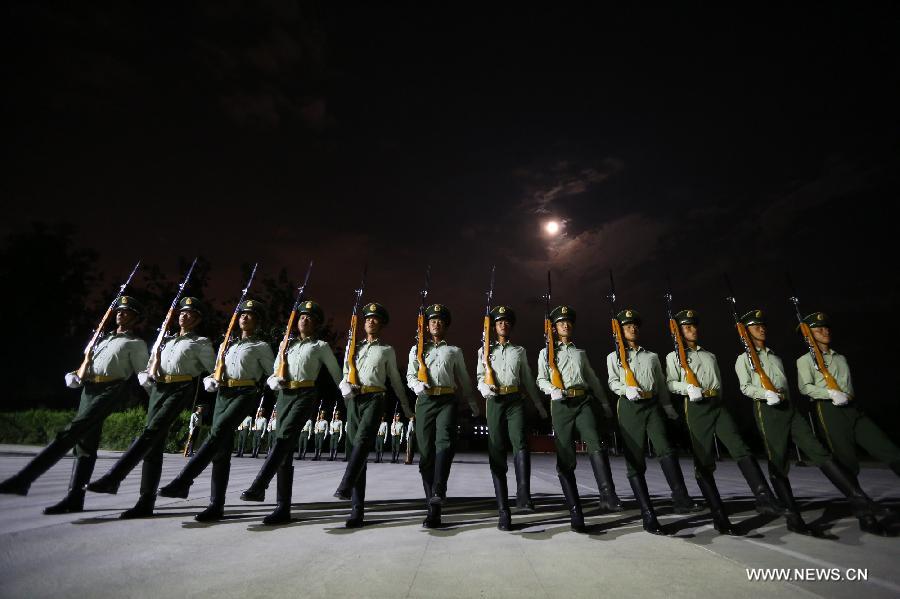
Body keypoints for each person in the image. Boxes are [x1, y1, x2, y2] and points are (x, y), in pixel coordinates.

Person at [735, 309, 889, 535]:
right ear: (745, 333)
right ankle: (794, 518)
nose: (761, 328)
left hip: (789, 408)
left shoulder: (775, 356)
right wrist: (764, 393)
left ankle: (858, 499)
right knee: (778, 462)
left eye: (763, 325)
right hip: (767, 410)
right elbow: (745, 387)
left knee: (819, 451)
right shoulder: (743, 359)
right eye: (755, 326)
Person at [0, 296, 149, 515]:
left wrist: (155, 401)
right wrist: (76, 375)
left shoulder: (136, 344)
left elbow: (143, 375)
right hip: (89, 391)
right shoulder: (102, 339)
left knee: (72, 432)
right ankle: (74, 498)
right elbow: (86, 367)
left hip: (110, 391)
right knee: (85, 448)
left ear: (136, 318)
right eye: (119, 310)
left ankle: (24, 478)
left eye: (127, 312)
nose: (121, 313)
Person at [86, 296, 215, 520]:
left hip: (180, 388)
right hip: (159, 389)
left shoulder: (201, 343)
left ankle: (114, 477)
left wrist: (212, 379)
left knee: (151, 432)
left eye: (189, 313)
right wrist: (146, 375)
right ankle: (145, 502)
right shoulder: (166, 340)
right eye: (181, 313)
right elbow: (150, 365)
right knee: (153, 446)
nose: (183, 316)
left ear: (197, 319)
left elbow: (214, 368)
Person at [664, 308, 782, 535]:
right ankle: (719, 516)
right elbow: (670, 383)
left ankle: (764, 497)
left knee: (740, 448)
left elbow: (719, 383)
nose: (692, 330)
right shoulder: (673, 357)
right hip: (696, 408)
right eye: (687, 327)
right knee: (704, 460)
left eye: (694, 326)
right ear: (678, 332)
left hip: (716, 405)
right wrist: (686, 388)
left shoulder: (710, 356)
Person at [157, 299, 274, 522]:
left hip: (245, 393)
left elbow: (272, 374)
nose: (244, 317)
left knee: (217, 432)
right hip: (223, 394)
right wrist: (211, 379)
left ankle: (184, 481)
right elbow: (216, 369)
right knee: (221, 451)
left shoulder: (261, 346)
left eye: (250, 315)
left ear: (258, 321)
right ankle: (216, 506)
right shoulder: (226, 345)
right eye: (242, 315)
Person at [240, 300, 342, 524]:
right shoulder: (287, 344)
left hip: (305, 394)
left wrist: (349, 395)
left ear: (316, 323)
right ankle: (282, 508)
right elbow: (274, 371)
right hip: (284, 396)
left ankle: (259, 485)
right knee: (283, 449)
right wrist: (273, 380)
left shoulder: (320, 347)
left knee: (285, 436)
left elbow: (338, 376)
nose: (304, 320)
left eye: (309, 318)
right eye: (302, 317)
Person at [536, 305, 617, 533]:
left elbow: (592, 378)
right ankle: (575, 511)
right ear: (554, 328)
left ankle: (607, 494)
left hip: (582, 402)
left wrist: (603, 403)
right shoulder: (546, 353)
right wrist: (550, 389)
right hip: (560, 405)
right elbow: (540, 379)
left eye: (569, 322)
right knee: (566, 456)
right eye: (561, 323)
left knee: (594, 440)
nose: (566, 325)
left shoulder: (579, 353)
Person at [332, 302, 413, 527]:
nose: (370, 321)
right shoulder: (353, 348)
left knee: (363, 440)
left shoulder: (386, 350)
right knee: (355, 453)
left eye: (375, 319)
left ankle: (345, 485)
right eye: (368, 318)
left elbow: (396, 381)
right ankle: (356, 511)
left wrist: (406, 409)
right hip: (354, 400)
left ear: (381, 324)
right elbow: (346, 374)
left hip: (376, 398)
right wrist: (344, 386)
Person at [795, 311, 900, 478]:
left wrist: (846, 396)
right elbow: (805, 387)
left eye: (826, 328)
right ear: (808, 336)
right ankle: (857, 500)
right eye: (818, 330)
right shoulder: (805, 360)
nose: (825, 332)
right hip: (830, 411)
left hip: (853, 409)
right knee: (846, 460)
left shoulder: (840, 358)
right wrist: (830, 393)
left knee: (887, 448)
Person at [406, 303, 480, 528]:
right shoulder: (416, 350)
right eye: (432, 321)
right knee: (426, 454)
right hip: (425, 401)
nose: (436, 324)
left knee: (445, 443)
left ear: (445, 326)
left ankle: (439, 489)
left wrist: (472, 403)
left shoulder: (454, 351)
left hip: (447, 400)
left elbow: (464, 379)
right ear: (427, 326)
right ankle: (433, 507)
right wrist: (417, 385)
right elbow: (410, 375)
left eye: (440, 321)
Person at [476, 305, 548, 530]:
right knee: (496, 449)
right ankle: (503, 510)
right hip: (495, 401)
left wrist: (538, 404)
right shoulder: (484, 350)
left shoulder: (519, 351)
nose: (503, 325)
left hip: (515, 399)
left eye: (507, 322)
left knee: (521, 443)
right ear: (494, 327)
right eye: (499, 322)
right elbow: (479, 375)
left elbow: (527, 378)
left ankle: (523, 495)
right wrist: (483, 388)